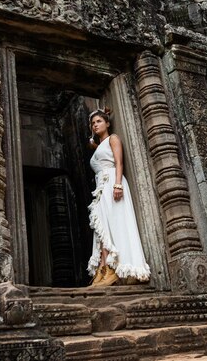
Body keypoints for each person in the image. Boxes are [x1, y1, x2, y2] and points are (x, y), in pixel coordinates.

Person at [87, 108, 150, 286]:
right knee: (101, 226)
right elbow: (96, 150)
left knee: (112, 224)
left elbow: (119, 162)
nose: (95, 125)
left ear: (107, 123)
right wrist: (93, 141)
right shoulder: (98, 146)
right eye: (93, 123)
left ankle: (113, 269)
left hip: (111, 182)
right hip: (101, 186)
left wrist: (117, 184)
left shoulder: (113, 138)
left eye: (99, 121)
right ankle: (103, 269)